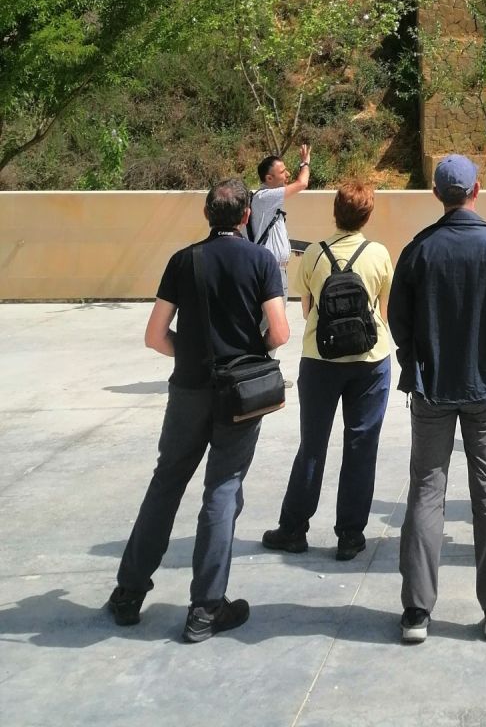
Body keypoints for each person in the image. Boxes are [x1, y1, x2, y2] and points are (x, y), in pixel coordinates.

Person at [106, 177, 289, 642]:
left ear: (207, 215)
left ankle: (128, 593)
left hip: (188, 390)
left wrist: (189, 355)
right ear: (246, 215)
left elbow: (154, 335)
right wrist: (252, 354)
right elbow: (280, 332)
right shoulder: (261, 260)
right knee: (222, 490)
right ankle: (206, 609)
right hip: (239, 396)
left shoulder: (182, 260)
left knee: (166, 483)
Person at [388, 154, 486, 643]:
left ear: (438, 194)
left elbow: (399, 320)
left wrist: (415, 360)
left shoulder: (419, 250)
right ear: (475, 191)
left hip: (432, 386)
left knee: (427, 491)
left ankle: (416, 613)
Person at [261, 181, 394, 562]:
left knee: (313, 445)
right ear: (367, 215)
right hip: (370, 362)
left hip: (320, 360)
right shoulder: (379, 254)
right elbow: (383, 313)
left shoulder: (315, 255)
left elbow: (306, 311)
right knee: (361, 446)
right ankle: (350, 535)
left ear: (335, 211)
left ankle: (293, 529)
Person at [249, 143, 312, 300]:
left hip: (274, 271)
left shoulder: (269, 200)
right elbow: (302, 183)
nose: (288, 174)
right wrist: (305, 163)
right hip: (270, 272)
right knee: (273, 322)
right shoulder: (264, 197)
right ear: (269, 178)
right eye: (283, 172)